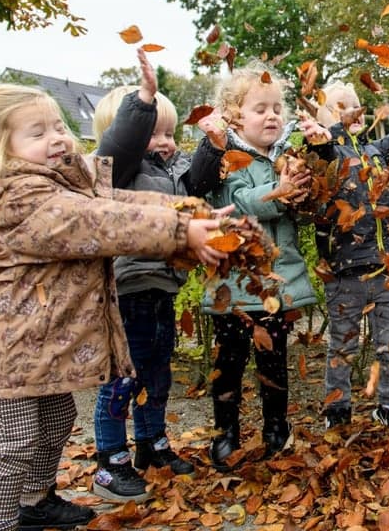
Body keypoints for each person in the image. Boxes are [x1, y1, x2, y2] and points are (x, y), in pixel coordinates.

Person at [0, 84, 228, 531]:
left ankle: (35, 501)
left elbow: (117, 202)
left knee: (57, 421)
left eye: (58, 126)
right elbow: (98, 221)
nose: (57, 137)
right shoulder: (21, 198)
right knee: (14, 443)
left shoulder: (59, 185)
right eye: (38, 133)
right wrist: (179, 232)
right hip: (4, 349)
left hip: (38, 344)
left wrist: (189, 211)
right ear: (2, 151)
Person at [89, 49, 226, 502]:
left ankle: (153, 444)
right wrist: (142, 104)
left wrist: (211, 144)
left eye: (169, 133)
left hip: (161, 289)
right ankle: (111, 459)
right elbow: (119, 146)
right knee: (122, 377)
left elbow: (198, 184)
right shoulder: (118, 171)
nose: (165, 142)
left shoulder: (169, 173)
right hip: (127, 289)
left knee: (156, 372)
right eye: (153, 133)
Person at [204, 62, 318, 471]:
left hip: (279, 283)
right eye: (259, 109)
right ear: (235, 117)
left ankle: (275, 429)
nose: (271, 116)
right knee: (229, 363)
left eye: (276, 108)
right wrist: (279, 191)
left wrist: (303, 194)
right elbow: (241, 203)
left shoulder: (288, 157)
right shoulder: (229, 160)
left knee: (274, 361)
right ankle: (225, 434)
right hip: (235, 284)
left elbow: (300, 217)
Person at [299, 82, 389, 431]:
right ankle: (338, 410)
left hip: (388, 271)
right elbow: (323, 162)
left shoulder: (377, 151)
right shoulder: (328, 157)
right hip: (346, 274)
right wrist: (323, 141)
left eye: (356, 105)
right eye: (342, 107)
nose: (354, 112)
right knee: (342, 346)